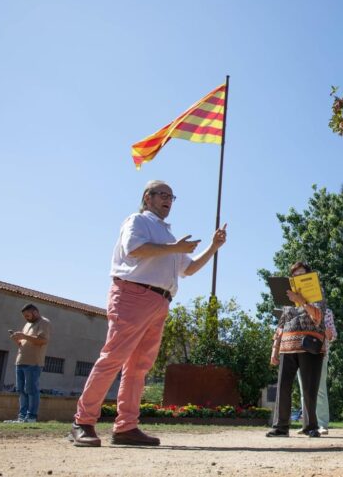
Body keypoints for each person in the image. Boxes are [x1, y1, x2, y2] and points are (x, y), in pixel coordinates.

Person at [69, 180, 228, 447]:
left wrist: (212, 247)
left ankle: (126, 427)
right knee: (113, 358)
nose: (168, 200)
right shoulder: (138, 221)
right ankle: (82, 422)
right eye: (162, 195)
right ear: (148, 197)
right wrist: (175, 248)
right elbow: (135, 249)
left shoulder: (167, 234)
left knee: (138, 367)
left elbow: (188, 270)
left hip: (160, 301)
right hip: (133, 294)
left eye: (171, 196)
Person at [267, 261, 326, 438]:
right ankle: (281, 427)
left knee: (309, 389)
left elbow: (318, 317)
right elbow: (281, 323)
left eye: (301, 274)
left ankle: (311, 426)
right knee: (283, 387)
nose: (297, 277)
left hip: (309, 344)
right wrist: (274, 348)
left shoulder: (317, 292)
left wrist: (302, 302)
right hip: (287, 346)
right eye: (295, 275)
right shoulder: (287, 298)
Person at [5, 304, 50, 423]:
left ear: (35, 312)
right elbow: (23, 343)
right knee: (20, 390)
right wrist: (17, 339)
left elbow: (43, 341)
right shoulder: (27, 324)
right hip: (20, 361)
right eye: (25, 316)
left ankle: (31, 417)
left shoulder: (44, 322)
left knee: (31, 389)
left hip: (33, 363)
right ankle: (22, 417)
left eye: (28, 315)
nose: (26, 318)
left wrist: (24, 336)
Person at [298, 304, 337, 434]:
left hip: (320, 353)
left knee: (320, 389)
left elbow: (333, 336)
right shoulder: (299, 310)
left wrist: (328, 333)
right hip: (301, 353)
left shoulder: (327, 311)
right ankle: (307, 424)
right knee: (304, 391)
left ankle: (322, 424)